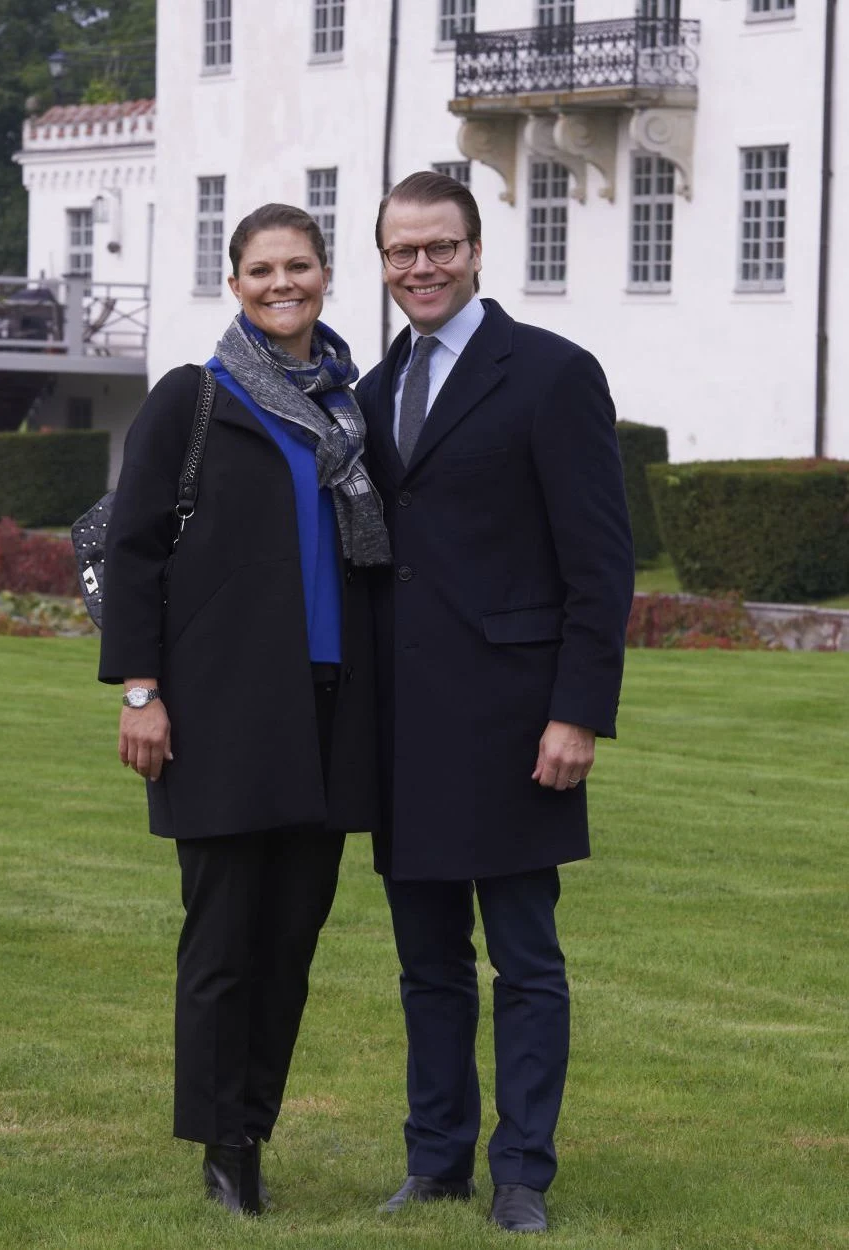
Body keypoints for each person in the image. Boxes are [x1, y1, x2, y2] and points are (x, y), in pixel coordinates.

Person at [355, 171, 634, 1234]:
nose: (418, 267)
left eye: (437, 247)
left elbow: (598, 566)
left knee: (524, 961)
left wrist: (577, 712)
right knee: (425, 964)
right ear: (381, 262)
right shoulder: (372, 393)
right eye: (398, 252)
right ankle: (434, 1163)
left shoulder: (553, 376)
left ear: (476, 250)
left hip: (520, 721)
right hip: (404, 728)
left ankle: (521, 1172)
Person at [98, 203, 390, 1216]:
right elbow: (131, 549)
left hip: (329, 707)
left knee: (291, 939)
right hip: (221, 709)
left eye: (297, 266)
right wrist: (141, 689)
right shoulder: (195, 399)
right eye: (260, 268)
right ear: (234, 284)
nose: (281, 283)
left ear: (323, 276)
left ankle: (252, 1126)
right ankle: (223, 1153)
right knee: (221, 938)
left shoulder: (354, 406)